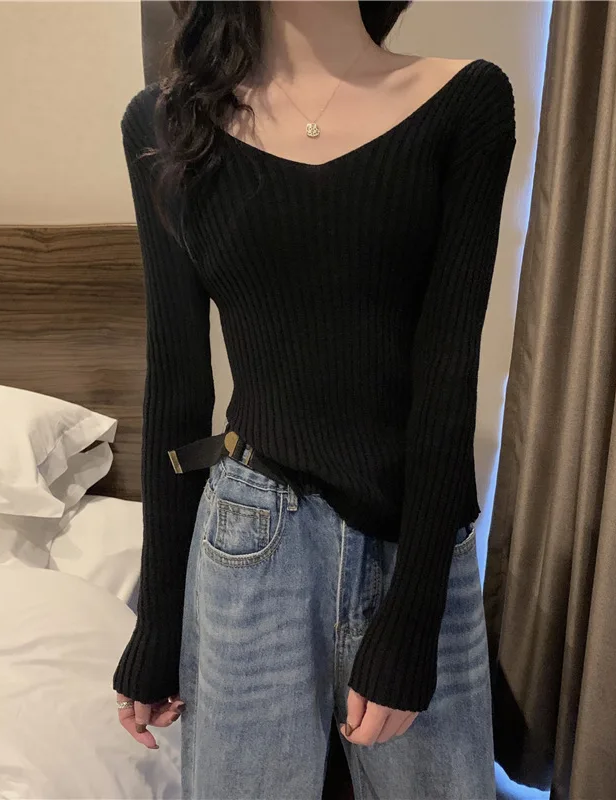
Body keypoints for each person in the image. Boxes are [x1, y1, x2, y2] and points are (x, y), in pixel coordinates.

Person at [113, 1, 516, 797]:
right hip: (248, 533)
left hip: (412, 536)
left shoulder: (465, 100)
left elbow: (447, 375)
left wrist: (414, 615)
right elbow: (178, 379)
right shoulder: (165, 122)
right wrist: (157, 622)